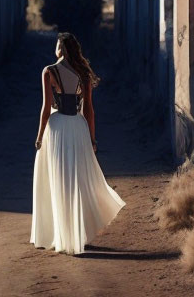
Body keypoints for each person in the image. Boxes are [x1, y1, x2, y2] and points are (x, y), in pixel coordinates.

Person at [30, 32, 125, 255]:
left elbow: (45, 108)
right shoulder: (82, 73)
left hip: (57, 128)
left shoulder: (49, 71)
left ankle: (61, 235)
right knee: (77, 182)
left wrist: (39, 135)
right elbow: (89, 110)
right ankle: (75, 235)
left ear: (60, 48)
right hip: (78, 128)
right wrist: (92, 138)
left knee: (57, 180)